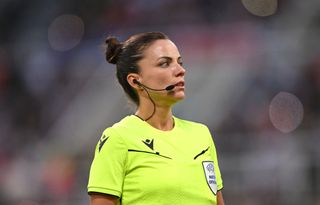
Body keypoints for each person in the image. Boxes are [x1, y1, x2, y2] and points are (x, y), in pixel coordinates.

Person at [87, 31, 225, 205]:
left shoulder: (201, 135)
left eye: (179, 62)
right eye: (164, 63)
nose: (180, 70)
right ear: (135, 81)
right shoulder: (118, 138)